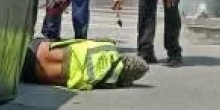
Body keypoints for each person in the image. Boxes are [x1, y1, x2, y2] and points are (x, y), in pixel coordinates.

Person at [21, 37, 149, 90]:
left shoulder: (107, 47)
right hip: (33, 75)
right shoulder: (107, 82)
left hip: (37, 48)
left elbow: (80, 41)